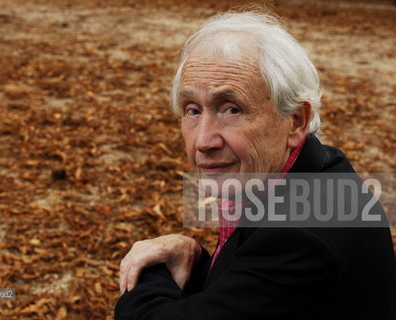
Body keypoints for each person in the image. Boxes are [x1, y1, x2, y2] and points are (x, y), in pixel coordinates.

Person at [115, 11, 396, 319]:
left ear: (295, 121)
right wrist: (194, 259)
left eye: (232, 109)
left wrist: (149, 274)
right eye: (192, 110)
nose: (203, 141)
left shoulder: (300, 236)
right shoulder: (315, 173)